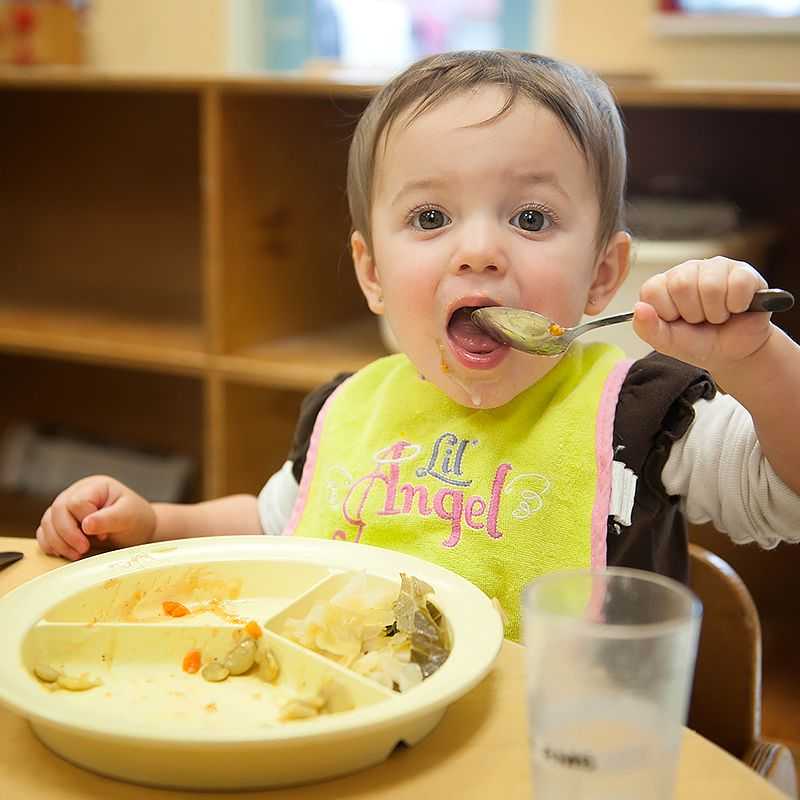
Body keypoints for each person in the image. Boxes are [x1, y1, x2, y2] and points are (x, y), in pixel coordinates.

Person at [36, 51, 800, 640]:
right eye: (431, 218)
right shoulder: (353, 411)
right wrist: (155, 524)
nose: (478, 251)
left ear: (603, 276)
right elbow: (276, 523)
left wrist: (754, 361)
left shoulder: (640, 415)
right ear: (372, 273)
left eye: (530, 220)